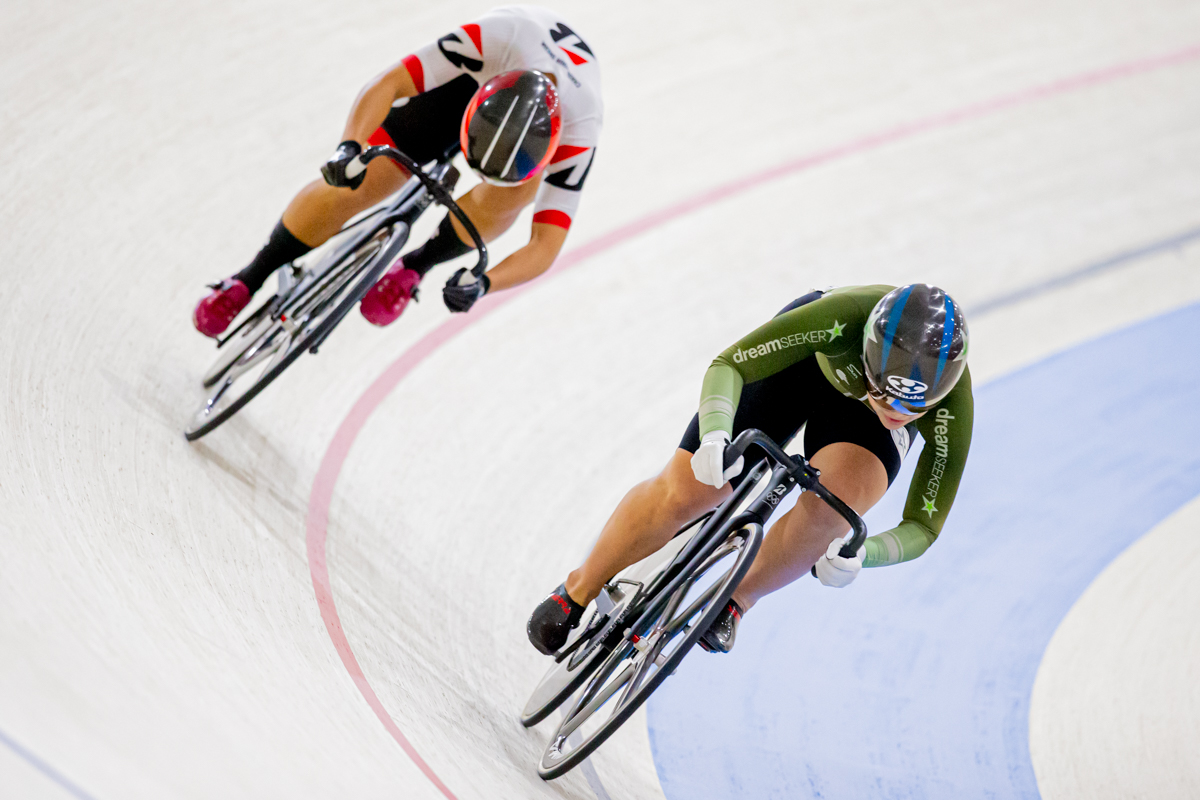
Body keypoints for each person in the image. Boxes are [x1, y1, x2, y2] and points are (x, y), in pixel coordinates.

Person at [527, 284, 973, 655]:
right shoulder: (841, 316)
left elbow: (923, 525)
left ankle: (735, 601)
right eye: (884, 394)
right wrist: (716, 435)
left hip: (857, 428)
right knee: (692, 488)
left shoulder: (952, 404)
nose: (896, 411)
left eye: (914, 406)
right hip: (805, 366)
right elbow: (731, 365)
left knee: (834, 511)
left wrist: (864, 552)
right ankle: (577, 591)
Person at [193, 6, 602, 337]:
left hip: (526, 122)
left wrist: (484, 283)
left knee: (513, 196)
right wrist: (349, 148)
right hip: (463, 87)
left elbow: (546, 245)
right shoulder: (501, 36)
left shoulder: (580, 129)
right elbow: (387, 84)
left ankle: (415, 266)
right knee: (365, 182)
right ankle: (250, 277)